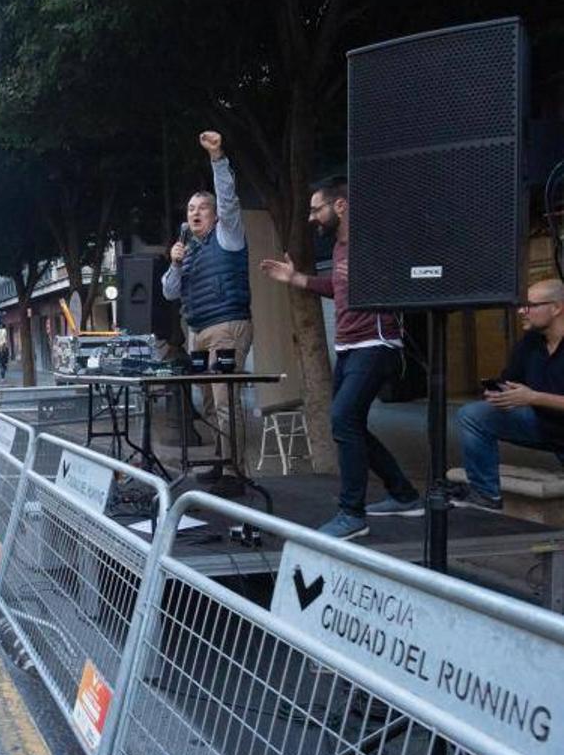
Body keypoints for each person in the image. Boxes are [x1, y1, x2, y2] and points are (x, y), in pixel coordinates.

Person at [261, 178, 421, 539]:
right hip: (349, 346)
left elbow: (403, 278)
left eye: (317, 209)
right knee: (350, 425)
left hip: (376, 344)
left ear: (341, 206)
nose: (311, 217)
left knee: (343, 419)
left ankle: (352, 514)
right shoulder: (338, 248)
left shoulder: (373, 241)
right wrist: (296, 278)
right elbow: (338, 287)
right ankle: (404, 494)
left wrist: (374, 276)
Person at [163, 130, 252, 497]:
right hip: (197, 331)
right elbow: (169, 292)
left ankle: (236, 470)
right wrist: (174, 264)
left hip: (226, 325)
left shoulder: (228, 235)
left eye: (201, 208)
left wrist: (217, 158)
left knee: (226, 398)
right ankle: (220, 459)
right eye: (190, 209)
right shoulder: (187, 250)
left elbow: (229, 200)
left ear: (215, 216)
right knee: (209, 402)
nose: (194, 213)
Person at [452, 280, 564, 511]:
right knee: (473, 415)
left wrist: (533, 398)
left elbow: (530, 397)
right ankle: (485, 495)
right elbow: (511, 381)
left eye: (529, 305)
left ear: (556, 308)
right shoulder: (530, 343)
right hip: (543, 424)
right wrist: (499, 392)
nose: (521, 311)